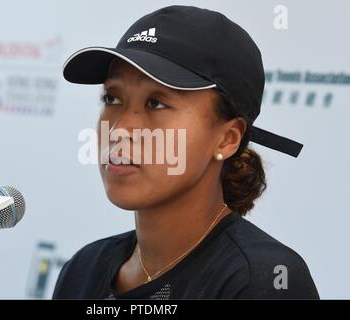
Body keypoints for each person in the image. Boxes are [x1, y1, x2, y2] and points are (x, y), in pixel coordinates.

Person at [53, 5, 319, 299]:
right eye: (112, 97)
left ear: (227, 139)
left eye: (157, 103)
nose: (119, 129)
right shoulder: (83, 269)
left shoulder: (262, 280)